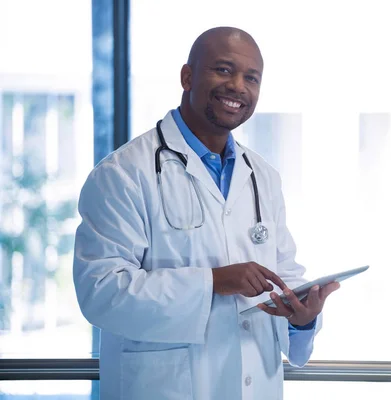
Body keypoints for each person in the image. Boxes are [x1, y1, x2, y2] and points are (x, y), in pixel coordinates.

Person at [73, 26, 339, 399]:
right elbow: (101, 294)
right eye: (224, 70)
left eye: (251, 78)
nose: (238, 87)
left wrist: (302, 317)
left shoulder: (263, 176)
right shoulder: (123, 173)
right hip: (165, 388)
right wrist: (213, 282)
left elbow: (284, 274)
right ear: (187, 77)